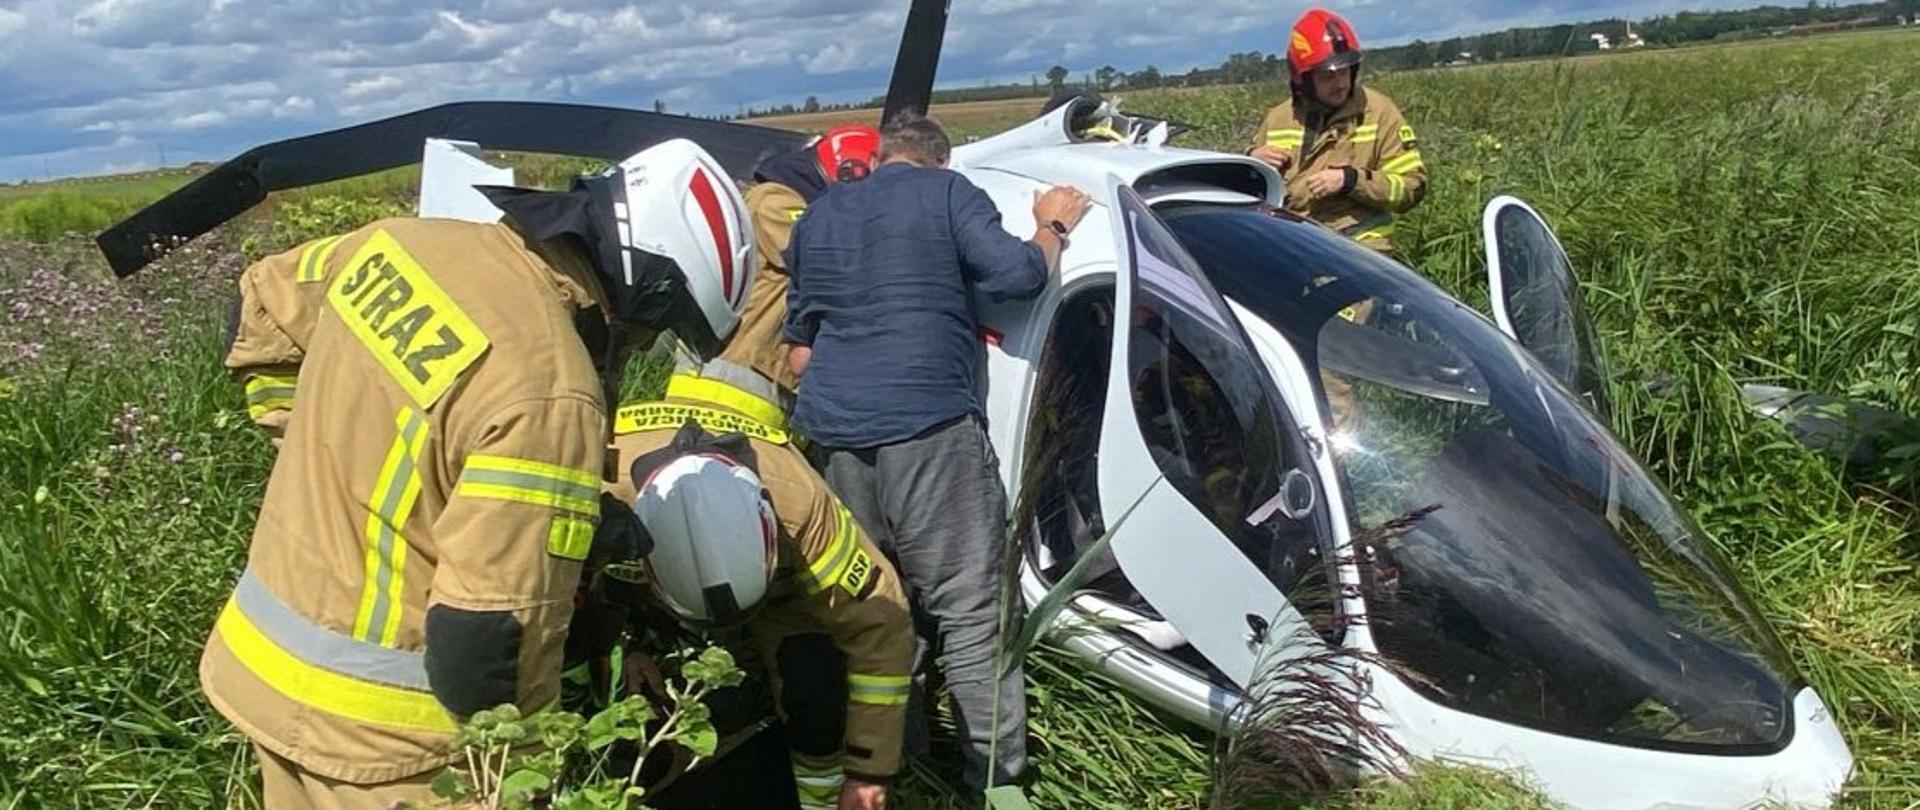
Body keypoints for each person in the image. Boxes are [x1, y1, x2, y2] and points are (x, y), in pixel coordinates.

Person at [205, 139, 755, 808]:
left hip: (261, 670)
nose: (639, 346)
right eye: (656, 328)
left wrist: (317, 446)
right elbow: (483, 653)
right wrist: (525, 777)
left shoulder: (399, 243)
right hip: (390, 748)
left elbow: (259, 307)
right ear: (648, 285)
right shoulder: (552, 391)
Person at [598, 131, 912, 809]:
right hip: (731, 433)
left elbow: (881, 622)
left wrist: (870, 773)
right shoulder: (779, 204)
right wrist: (618, 643)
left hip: (757, 446)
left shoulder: (796, 499)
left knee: (811, 677)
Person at [782, 113, 1092, 790]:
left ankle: (897, 765)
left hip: (834, 438)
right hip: (928, 428)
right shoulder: (948, 194)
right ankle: (997, 781)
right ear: (940, 162)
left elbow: (800, 347)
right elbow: (1017, 276)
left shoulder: (817, 218)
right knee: (972, 612)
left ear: (884, 156)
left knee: (878, 610)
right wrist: (1054, 226)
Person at [1250, 7, 1428, 254]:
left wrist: (1351, 181)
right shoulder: (1279, 118)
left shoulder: (1379, 112)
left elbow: (1411, 189)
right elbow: (1251, 197)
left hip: (1362, 248)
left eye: (1345, 71)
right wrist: (1252, 162)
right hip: (1294, 245)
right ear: (1304, 79)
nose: (1341, 83)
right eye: (1328, 76)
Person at [739, 124, 881, 397]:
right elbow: (827, 258)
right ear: (852, 174)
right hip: (739, 372)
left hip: (766, 372)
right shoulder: (774, 202)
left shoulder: (804, 206)